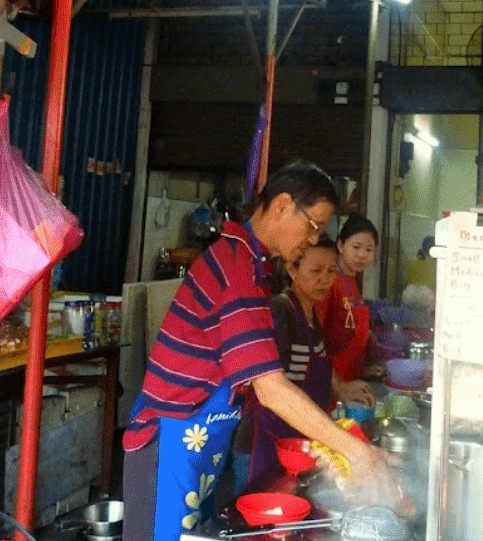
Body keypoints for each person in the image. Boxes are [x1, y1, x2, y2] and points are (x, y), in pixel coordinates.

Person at [122, 161, 389, 541]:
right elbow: (270, 388)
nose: (314, 239)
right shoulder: (237, 270)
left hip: (197, 449)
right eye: (313, 225)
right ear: (282, 206)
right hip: (166, 446)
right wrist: (356, 452)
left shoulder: (250, 262)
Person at [246, 239, 374, 481]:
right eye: (316, 271)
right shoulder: (281, 312)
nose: (325, 279)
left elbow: (319, 362)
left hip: (298, 438)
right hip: (267, 442)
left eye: (331, 271)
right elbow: (269, 387)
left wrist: (341, 388)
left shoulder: (311, 312)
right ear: (293, 270)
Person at [319, 216, 379, 383]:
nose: (362, 255)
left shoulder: (352, 281)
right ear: (340, 245)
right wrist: (335, 383)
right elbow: (316, 336)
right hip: (331, 382)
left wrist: (363, 368)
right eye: (356, 247)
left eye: (369, 249)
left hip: (351, 379)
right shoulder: (329, 281)